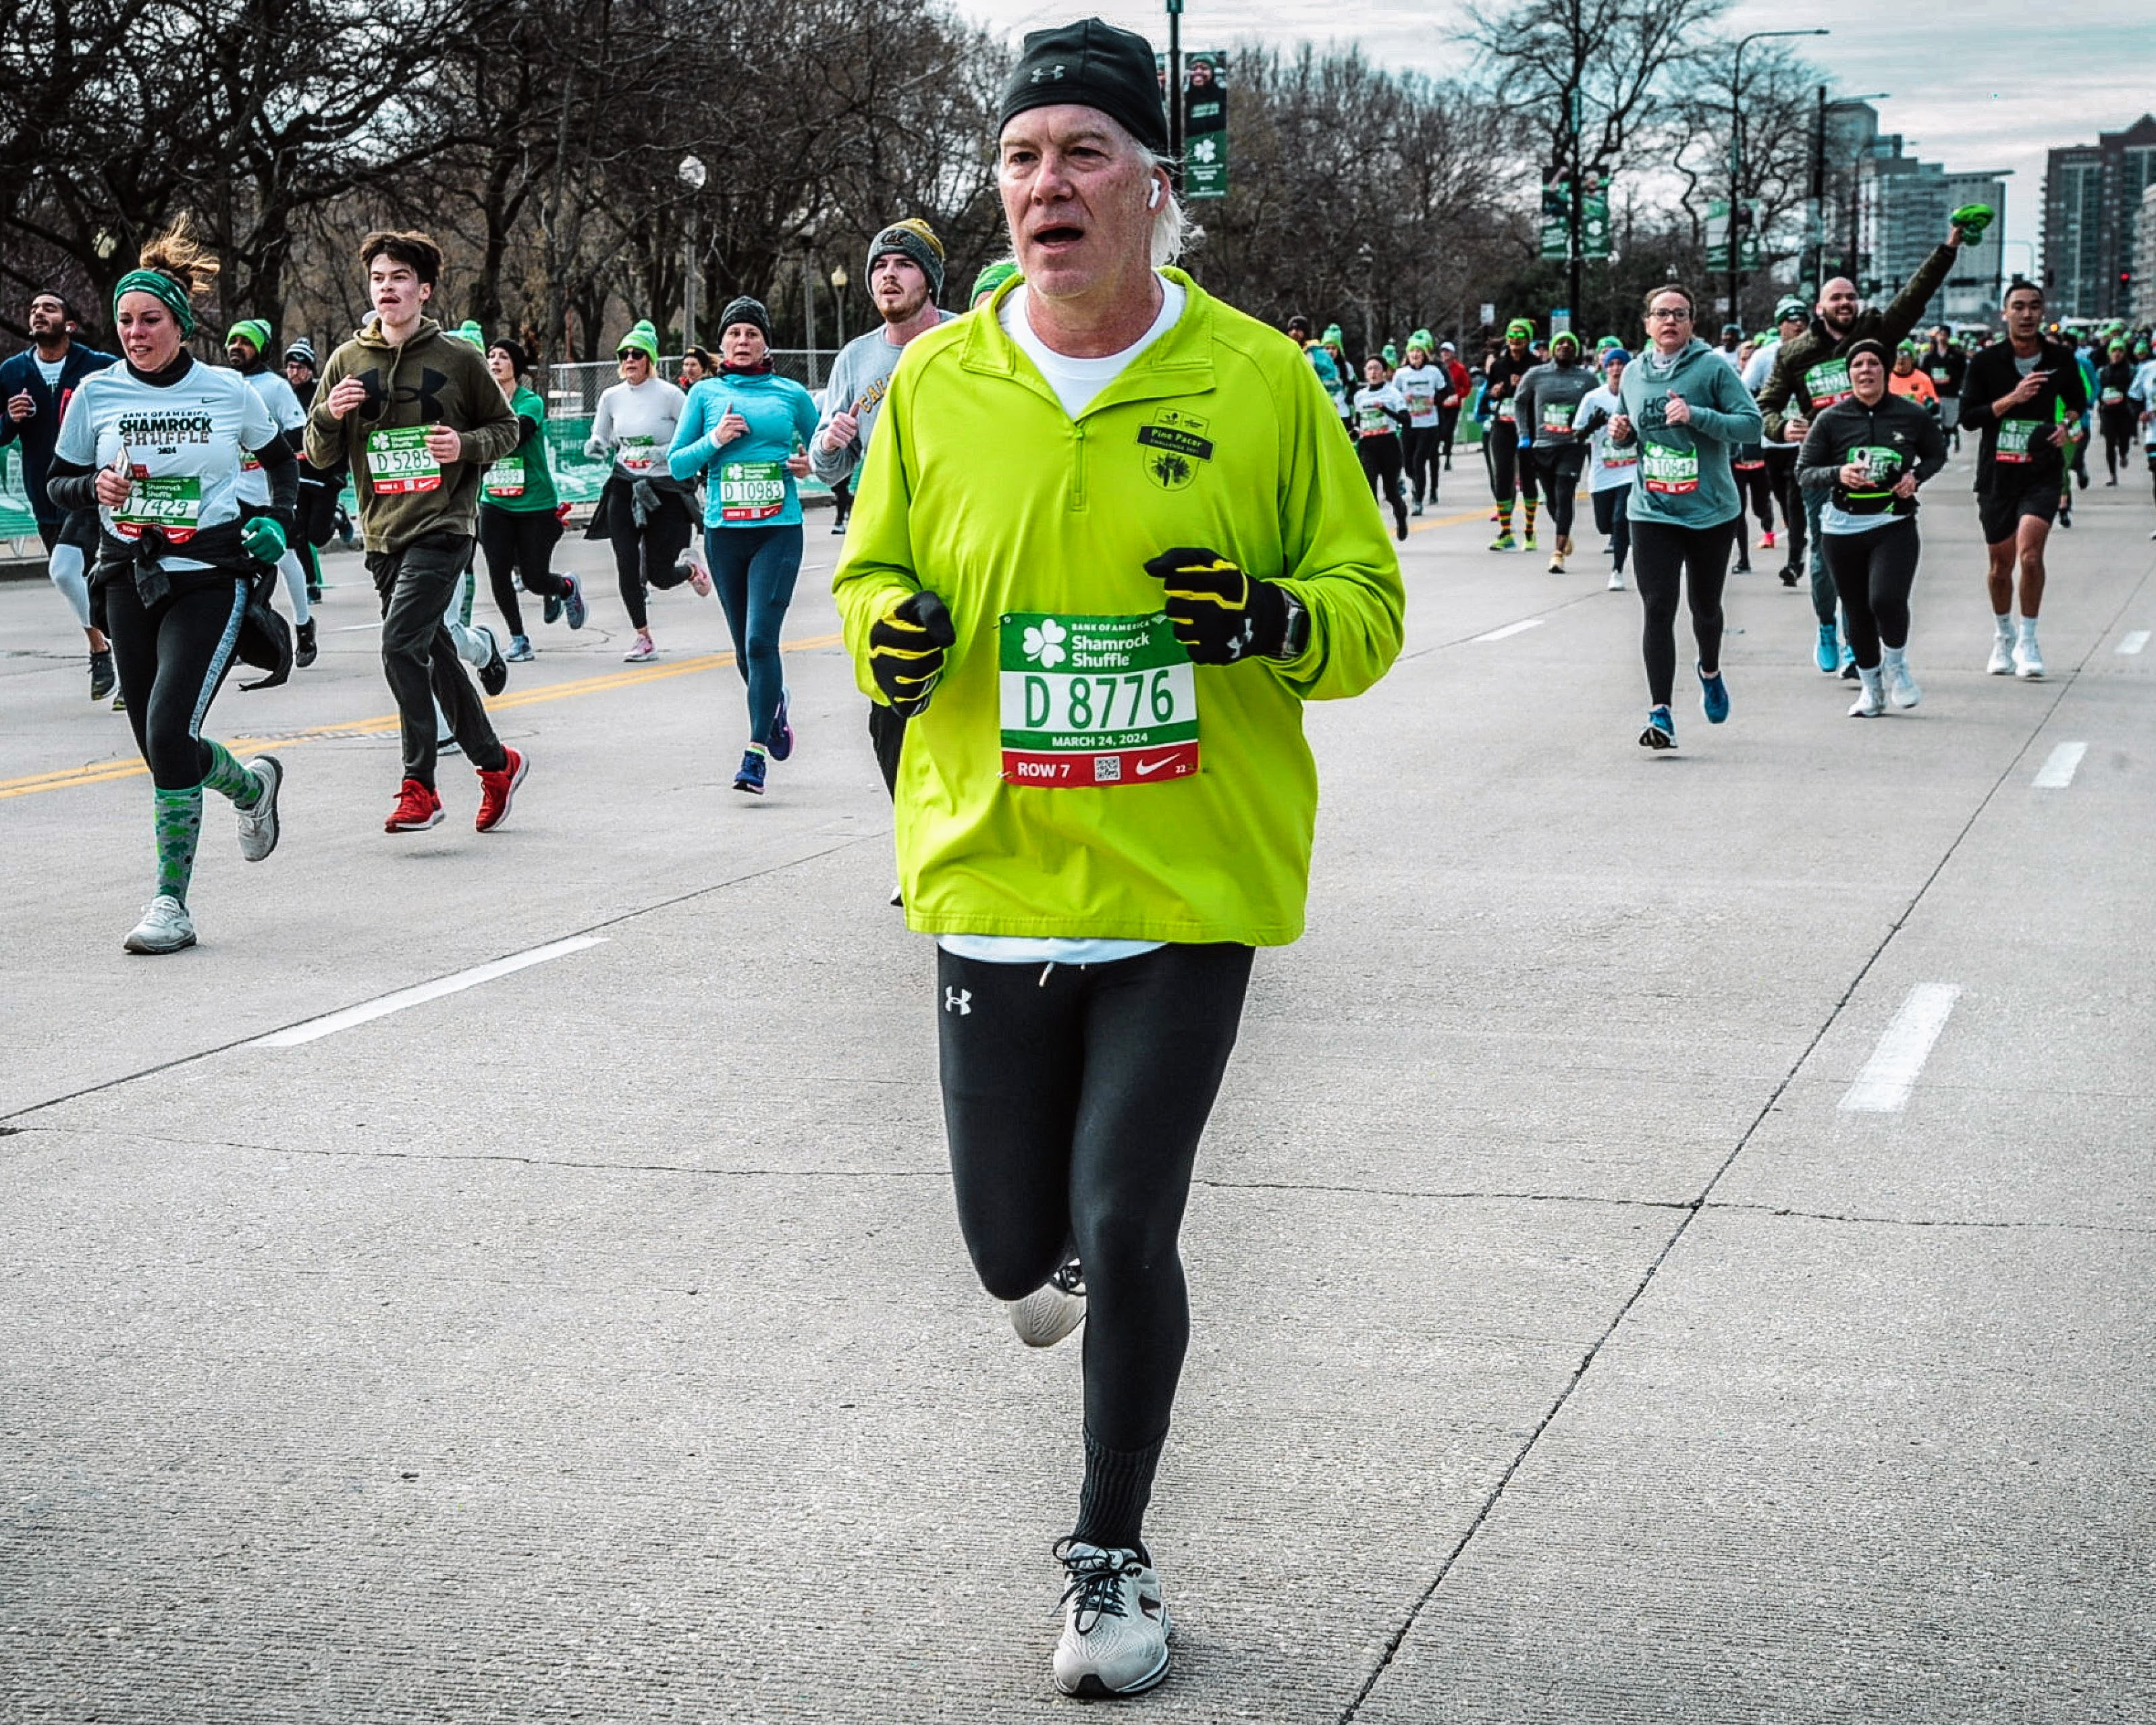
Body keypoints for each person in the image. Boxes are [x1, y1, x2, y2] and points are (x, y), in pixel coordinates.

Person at [832, 17, 1402, 1699]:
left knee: (1125, 1216)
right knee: (1013, 1253)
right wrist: (892, 637)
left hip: (1179, 878)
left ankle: (1109, 1562)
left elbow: (1364, 614)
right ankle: (1058, 1250)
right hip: (994, 867)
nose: (1045, 185)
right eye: (1020, 158)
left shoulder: (1262, 381)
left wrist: (1277, 619)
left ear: (1155, 184)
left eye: (1082, 152)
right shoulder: (936, 381)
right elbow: (863, 580)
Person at [44, 220, 292, 953]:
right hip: (129, 578)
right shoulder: (96, 393)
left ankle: (169, 905)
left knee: (168, 729)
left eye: (150, 319)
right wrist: (96, 485)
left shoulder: (226, 390)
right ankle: (249, 788)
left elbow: (282, 464)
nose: (135, 332)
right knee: (161, 751)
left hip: (210, 578)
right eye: (124, 320)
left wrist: (276, 525)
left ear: (180, 325)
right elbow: (57, 484)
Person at [305, 228, 529, 833]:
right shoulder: (346, 362)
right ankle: (496, 762)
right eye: (378, 279)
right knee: (433, 656)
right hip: (383, 532)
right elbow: (319, 454)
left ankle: (419, 785)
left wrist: (463, 444)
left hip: (445, 524)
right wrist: (329, 414)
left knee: (399, 643)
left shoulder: (458, 358)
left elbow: (507, 431)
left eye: (399, 278)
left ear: (424, 290)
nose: (388, 289)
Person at [1760, 211, 1980, 677]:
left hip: (1877, 461)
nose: (1846, 302)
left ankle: (1854, 634)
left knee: (1872, 564)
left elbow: (1915, 297)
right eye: (1836, 297)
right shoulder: (1794, 354)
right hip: (1823, 465)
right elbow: (1767, 406)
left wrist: (1950, 246)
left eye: (1851, 297)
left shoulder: (1875, 333)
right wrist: (1783, 428)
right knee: (1823, 555)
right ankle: (1828, 627)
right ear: (1819, 307)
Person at [810, 219, 959, 796]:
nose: (887, 275)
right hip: (885, 541)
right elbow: (828, 468)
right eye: (878, 266)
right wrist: (829, 442)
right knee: (891, 696)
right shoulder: (855, 358)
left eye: (903, 264)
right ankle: (911, 843)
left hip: (954, 529)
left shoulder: (962, 340)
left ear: (930, 280)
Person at [667, 296, 819, 796]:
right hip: (725, 534)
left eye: (752, 333)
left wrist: (807, 465)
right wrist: (716, 439)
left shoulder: (790, 394)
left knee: (760, 641)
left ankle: (754, 755)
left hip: (778, 530)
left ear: (766, 342)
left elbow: (824, 454)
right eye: (735, 334)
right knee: (742, 649)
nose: (743, 341)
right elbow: (678, 466)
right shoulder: (706, 394)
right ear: (722, 344)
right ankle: (773, 706)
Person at [1605, 283, 1762, 750]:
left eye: (1679, 314)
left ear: (1692, 323)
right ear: (1647, 323)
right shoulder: (1632, 373)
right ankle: (1661, 713)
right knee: (1657, 608)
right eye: (1661, 314)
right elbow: (1628, 432)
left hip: (1710, 510)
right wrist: (1619, 433)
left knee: (1705, 608)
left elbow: (1750, 424)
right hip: (1651, 508)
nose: (1670, 321)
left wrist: (1696, 415)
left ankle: (1709, 670)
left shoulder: (1712, 367)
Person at [1797, 339, 1949, 716]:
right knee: (1856, 609)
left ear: (1885, 369)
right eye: (1858, 365)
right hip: (1842, 527)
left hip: (1892, 521)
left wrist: (1916, 476)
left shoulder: (1910, 414)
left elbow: (1937, 452)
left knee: (1886, 598)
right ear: (1849, 374)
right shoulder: (1831, 420)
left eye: (1873, 364)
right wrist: (1839, 474)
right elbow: (1804, 471)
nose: (1866, 371)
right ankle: (1870, 690)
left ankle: (1896, 665)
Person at [1959, 279, 2087, 680]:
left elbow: (2079, 404)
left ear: (2043, 311)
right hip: (1998, 473)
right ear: (2005, 313)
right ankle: (2003, 635)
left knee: (2031, 555)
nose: (2027, 314)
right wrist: (2011, 400)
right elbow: (1968, 418)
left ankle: (2029, 639)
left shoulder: (2062, 358)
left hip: (2042, 469)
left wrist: (2067, 424)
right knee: (2001, 564)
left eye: (2034, 306)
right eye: (2019, 307)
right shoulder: (1986, 362)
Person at [2, 289, 118, 699]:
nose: (38, 314)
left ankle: (106, 651)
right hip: (44, 495)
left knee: (66, 570)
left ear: (69, 323)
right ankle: (107, 648)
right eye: (33, 309)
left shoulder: (99, 368)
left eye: (49, 309)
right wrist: (8, 420)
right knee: (78, 577)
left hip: (90, 490)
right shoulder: (12, 372)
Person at [583, 320, 694, 661]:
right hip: (624, 484)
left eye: (637, 354)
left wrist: (665, 452)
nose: (630, 360)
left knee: (659, 574)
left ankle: (690, 570)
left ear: (650, 359)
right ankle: (642, 636)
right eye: (624, 354)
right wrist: (597, 446)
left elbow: (689, 436)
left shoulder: (672, 396)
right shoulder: (611, 397)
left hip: (662, 487)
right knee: (627, 564)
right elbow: (601, 435)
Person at [479, 337, 586, 659]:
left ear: (516, 367)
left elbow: (517, 433)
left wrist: (478, 441)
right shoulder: (479, 403)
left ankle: (566, 588)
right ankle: (518, 638)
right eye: (491, 356)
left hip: (534, 504)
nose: (495, 362)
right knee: (498, 573)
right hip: (494, 501)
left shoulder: (530, 402)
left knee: (534, 578)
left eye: (503, 357)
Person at [223, 318, 318, 668]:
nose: (236, 347)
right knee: (236, 565)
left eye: (245, 342)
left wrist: (264, 445)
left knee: (286, 559)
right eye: (232, 341)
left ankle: (304, 624)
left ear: (260, 348)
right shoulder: (223, 384)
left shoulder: (276, 387)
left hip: (267, 489)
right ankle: (241, 636)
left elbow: (298, 430)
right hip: (232, 493)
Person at [1514, 330, 1596, 572]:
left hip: (1572, 446)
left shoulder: (1586, 379)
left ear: (1576, 350)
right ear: (1551, 349)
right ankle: (1564, 532)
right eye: (1559, 343)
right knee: (1551, 500)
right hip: (1543, 445)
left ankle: (1557, 552)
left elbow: (1599, 402)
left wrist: (1590, 430)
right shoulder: (1536, 375)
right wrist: (1524, 435)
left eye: (1569, 344)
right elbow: (1520, 402)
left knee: (1564, 496)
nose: (1564, 347)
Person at [1575, 346, 1634, 590]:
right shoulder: (1593, 398)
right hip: (1603, 472)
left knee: (1621, 518)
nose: (1616, 369)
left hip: (1631, 469)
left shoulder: (1635, 396)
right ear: (1605, 368)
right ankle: (1622, 539)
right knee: (1605, 524)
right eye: (1611, 364)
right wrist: (1593, 425)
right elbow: (1577, 435)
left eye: (1621, 364)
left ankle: (1617, 570)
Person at [1482, 318, 1541, 551]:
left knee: (1528, 477)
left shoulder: (1536, 366)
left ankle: (1529, 531)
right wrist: (1494, 392)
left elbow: (1540, 397)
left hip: (1527, 427)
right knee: (1502, 478)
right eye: (1512, 337)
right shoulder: (1498, 365)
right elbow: (1488, 396)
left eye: (1520, 337)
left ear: (1528, 340)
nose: (1515, 341)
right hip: (1502, 426)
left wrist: (1522, 387)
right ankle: (1506, 533)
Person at [1351, 353, 1411, 539]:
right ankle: (1376, 532)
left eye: (1377, 368)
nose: (1373, 372)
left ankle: (1401, 517)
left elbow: (1406, 421)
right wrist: (1353, 432)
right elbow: (1358, 423)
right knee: (1370, 490)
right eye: (1369, 369)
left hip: (1389, 445)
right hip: (1368, 446)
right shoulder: (1359, 396)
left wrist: (1384, 409)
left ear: (1384, 372)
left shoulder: (1393, 393)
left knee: (1391, 493)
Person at [1393, 330, 1444, 513]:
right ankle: (1416, 482)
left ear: (1425, 354)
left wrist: (1435, 399)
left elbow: (1444, 392)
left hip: (1428, 424)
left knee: (1418, 461)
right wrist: (1402, 399)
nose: (1415, 355)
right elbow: (1394, 396)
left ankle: (1418, 499)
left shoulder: (1434, 372)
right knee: (1408, 465)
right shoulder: (1401, 374)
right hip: (1408, 424)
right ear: (1407, 354)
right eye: (1412, 351)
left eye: (1419, 351)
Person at [2096, 341, 2138, 485]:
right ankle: (2113, 475)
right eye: (2114, 351)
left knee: (2124, 440)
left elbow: (2136, 390)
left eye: (2120, 351)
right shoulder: (2103, 371)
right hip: (2108, 412)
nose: (2117, 354)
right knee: (2110, 443)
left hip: (2124, 411)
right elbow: (2098, 390)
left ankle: (2123, 453)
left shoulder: (2131, 370)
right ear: (2110, 353)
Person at [1920, 326, 1967, 452]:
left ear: (1948, 336)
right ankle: (1941, 445)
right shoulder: (1930, 357)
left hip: (1951, 393)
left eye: (1944, 334)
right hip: (1934, 393)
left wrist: (1951, 377)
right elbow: (1923, 373)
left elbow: (1963, 372)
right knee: (1935, 420)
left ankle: (1952, 435)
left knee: (1950, 421)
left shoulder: (1957, 355)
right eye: (1939, 334)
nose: (1942, 337)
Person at [1436, 339, 1471, 469]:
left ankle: (1448, 459)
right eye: (1443, 351)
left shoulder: (1460, 369)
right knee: (1439, 431)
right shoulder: (1437, 368)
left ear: (1453, 354)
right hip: (1440, 404)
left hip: (1453, 405)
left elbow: (1467, 387)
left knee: (1448, 431)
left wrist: (1458, 396)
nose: (1444, 354)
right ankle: (1439, 454)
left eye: (1447, 351)